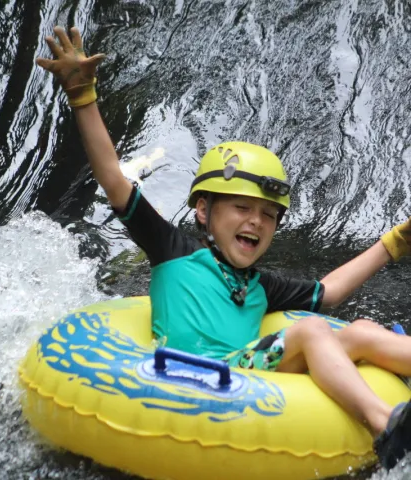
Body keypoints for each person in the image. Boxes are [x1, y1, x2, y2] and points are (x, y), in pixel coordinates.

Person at [37, 26, 411, 470]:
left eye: (268, 216)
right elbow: (115, 182)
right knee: (313, 331)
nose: (256, 221)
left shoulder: (259, 284)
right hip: (204, 378)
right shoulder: (173, 250)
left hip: (255, 371)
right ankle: (386, 426)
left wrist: (394, 243)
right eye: (240, 208)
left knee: (362, 330)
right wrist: (83, 97)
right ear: (203, 211)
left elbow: (327, 294)